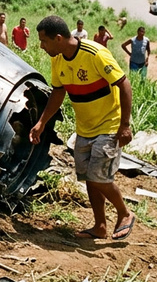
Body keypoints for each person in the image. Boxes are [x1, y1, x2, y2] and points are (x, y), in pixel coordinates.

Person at [29, 16, 135, 241]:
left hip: (109, 124)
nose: (41, 46)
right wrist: (41, 122)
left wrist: (125, 125)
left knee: (98, 176)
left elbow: (123, 83)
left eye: (44, 41)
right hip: (84, 128)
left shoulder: (94, 53)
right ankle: (100, 226)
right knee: (88, 177)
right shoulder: (58, 60)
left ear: (58, 38)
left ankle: (125, 213)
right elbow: (59, 92)